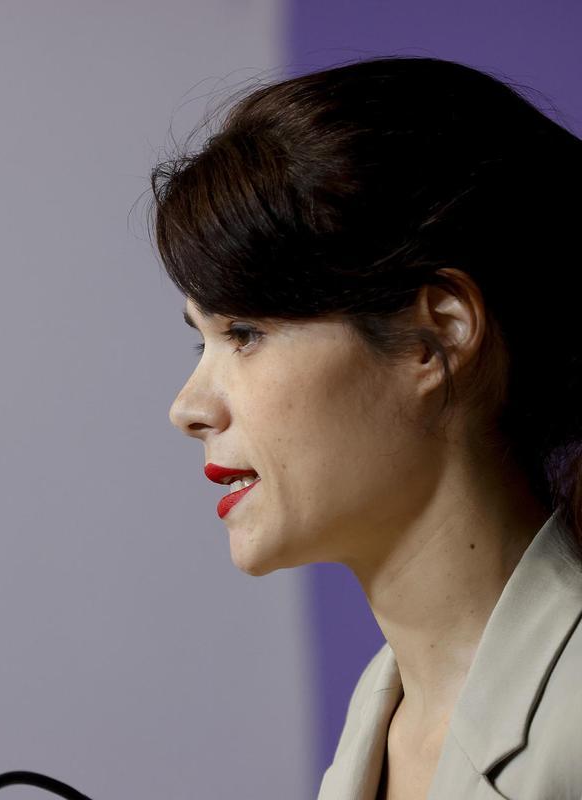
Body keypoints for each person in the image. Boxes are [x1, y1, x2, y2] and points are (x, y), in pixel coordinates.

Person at [152, 58, 582, 798]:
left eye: (245, 333)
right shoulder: (377, 722)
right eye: (203, 342)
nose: (188, 408)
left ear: (435, 336)